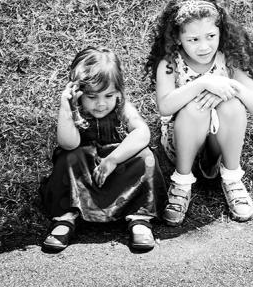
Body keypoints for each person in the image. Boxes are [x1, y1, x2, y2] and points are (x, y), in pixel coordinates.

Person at [145, 0, 253, 225]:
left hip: (220, 144)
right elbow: (165, 107)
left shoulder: (227, 59)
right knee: (195, 108)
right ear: (177, 38)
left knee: (232, 104)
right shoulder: (170, 63)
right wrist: (202, 83)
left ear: (221, 32)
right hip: (181, 142)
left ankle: (232, 178)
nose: (204, 46)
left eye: (211, 36)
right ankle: (181, 182)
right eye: (193, 40)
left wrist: (229, 85)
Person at [40, 46, 166, 253]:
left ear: (119, 92)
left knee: (146, 157)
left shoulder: (123, 108)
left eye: (109, 95)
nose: (101, 104)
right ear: (78, 93)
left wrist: (113, 159)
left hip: (117, 168)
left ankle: (139, 216)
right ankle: (66, 217)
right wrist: (66, 107)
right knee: (69, 158)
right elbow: (68, 143)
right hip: (85, 173)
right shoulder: (74, 111)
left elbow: (142, 133)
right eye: (92, 97)